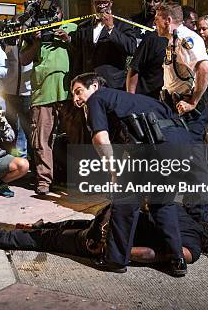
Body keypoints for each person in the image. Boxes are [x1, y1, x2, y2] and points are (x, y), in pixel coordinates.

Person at [70, 72, 196, 275]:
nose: (75, 99)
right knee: (162, 203)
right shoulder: (132, 100)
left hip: (154, 150)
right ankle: (177, 259)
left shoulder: (97, 99)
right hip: (182, 148)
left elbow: (101, 139)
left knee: (125, 202)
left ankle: (115, 260)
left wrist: (113, 171)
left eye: (78, 92)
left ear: (94, 86)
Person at [0, 204, 208, 267]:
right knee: (48, 242)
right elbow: (157, 254)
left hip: (109, 216)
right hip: (107, 238)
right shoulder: (195, 248)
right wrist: (116, 252)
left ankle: (38, 224)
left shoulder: (180, 211)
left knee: (77, 225)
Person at [155, 2, 208, 222]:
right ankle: (185, 211)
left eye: (157, 19)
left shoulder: (187, 39)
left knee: (195, 163)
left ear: (168, 20)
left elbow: (205, 68)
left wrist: (193, 101)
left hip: (188, 109)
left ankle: (199, 219)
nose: (154, 23)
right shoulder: (174, 40)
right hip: (174, 105)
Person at [20, 0, 73, 195]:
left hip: (70, 93)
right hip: (42, 93)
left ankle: (78, 178)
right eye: (48, 13)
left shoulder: (72, 27)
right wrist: (36, 40)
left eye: (55, 12)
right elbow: (23, 60)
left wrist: (68, 39)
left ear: (61, 13)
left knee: (76, 138)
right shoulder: (34, 31)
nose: (52, 17)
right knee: (41, 140)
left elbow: (85, 50)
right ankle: (43, 181)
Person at [72, 0, 136, 90]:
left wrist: (111, 28)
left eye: (105, 2)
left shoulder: (123, 24)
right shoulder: (83, 27)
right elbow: (78, 58)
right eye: (98, 2)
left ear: (111, 2)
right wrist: (76, 81)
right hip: (88, 84)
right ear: (93, 3)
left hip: (113, 84)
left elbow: (131, 48)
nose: (102, 5)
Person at [127, 0, 168, 99]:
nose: (152, 4)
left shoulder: (165, 25)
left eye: (156, 1)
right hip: (135, 74)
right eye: (148, 0)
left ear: (162, 2)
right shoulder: (132, 21)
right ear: (143, 0)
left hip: (156, 78)